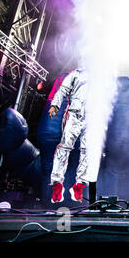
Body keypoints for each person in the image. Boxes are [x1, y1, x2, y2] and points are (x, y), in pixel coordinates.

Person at [48, 68, 88, 203]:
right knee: (64, 147)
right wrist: (55, 105)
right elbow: (63, 89)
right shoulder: (77, 73)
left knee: (88, 150)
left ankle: (80, 185)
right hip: (74, 114)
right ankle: (57, 184)